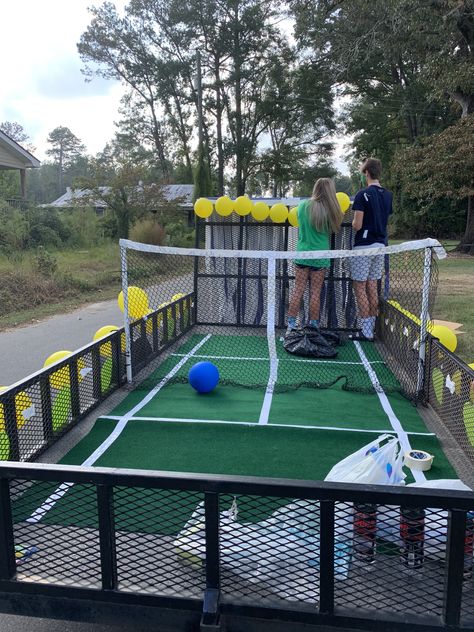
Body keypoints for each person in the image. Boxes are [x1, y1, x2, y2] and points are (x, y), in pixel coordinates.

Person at [287, 178, 343, 332]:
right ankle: (314, 326)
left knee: (298, 290)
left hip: (303, 254)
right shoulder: (331, 210)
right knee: (315, 293)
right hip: (320, 256)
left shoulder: (303, 206)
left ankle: (290, 325)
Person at [350, 158, 393, 340]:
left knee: (360, 286)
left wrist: (353, 223)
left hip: (364, 247)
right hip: (380, 246)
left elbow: (357, 225)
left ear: (367, 173)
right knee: (372, 286)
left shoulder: (362, 195)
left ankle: (366, 331)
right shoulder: (388, 195)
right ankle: (371, 328)